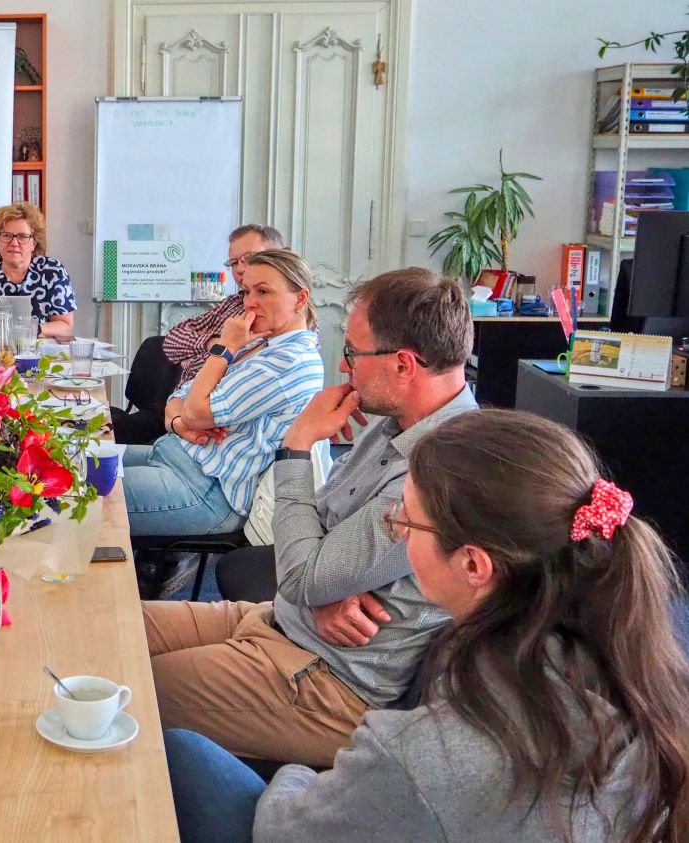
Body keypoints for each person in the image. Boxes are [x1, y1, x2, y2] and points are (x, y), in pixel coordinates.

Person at [164, 410, 689, 843]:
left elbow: (286, 829)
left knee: (180, 752)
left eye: (407, 522)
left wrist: (296, 774)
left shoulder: (425, 751)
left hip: (330, 738)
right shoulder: (646, 679)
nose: (397, 532)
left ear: (474, 564)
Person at [141, 267, 476, 768]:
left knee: (118, 684)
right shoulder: (393, 423)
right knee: (108, 630)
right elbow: (317, 529)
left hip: (325, 681)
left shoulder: (442, 470)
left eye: (353, 353)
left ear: (404, 364)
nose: (343, 366)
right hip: (282, 621)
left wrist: (296, 445)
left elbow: (303, 573)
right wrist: (319, 587)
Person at [124, 249, 322, 548]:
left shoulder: (290, 360)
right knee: (75, 463)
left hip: (206, 489)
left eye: (263, 291)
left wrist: (224, 348)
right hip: (176, 455)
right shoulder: (260, 343)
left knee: (71, 494)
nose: (249, 302)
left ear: (300, 298)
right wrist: (178, 422)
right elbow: (182, 394)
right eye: (246, 292)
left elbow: (196, 411)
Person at [113, 224, 284, 446]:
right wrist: (214, 343)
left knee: (97, 436)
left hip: (208, 429)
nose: (241, 269)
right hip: (174, 405)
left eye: (249, 258)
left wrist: (196, 355)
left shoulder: (282, 324)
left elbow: (230, 383)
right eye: (234, 263)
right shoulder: (232, 304)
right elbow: (173, 340)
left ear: (279, 256)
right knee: (91, 425)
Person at [0, 202, 77, 339]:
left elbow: (66, 327)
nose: (14, 243)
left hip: (37, 349)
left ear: (34, 243)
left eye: (22, 236)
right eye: (7, 235)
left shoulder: (53, 271)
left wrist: (32, 329)